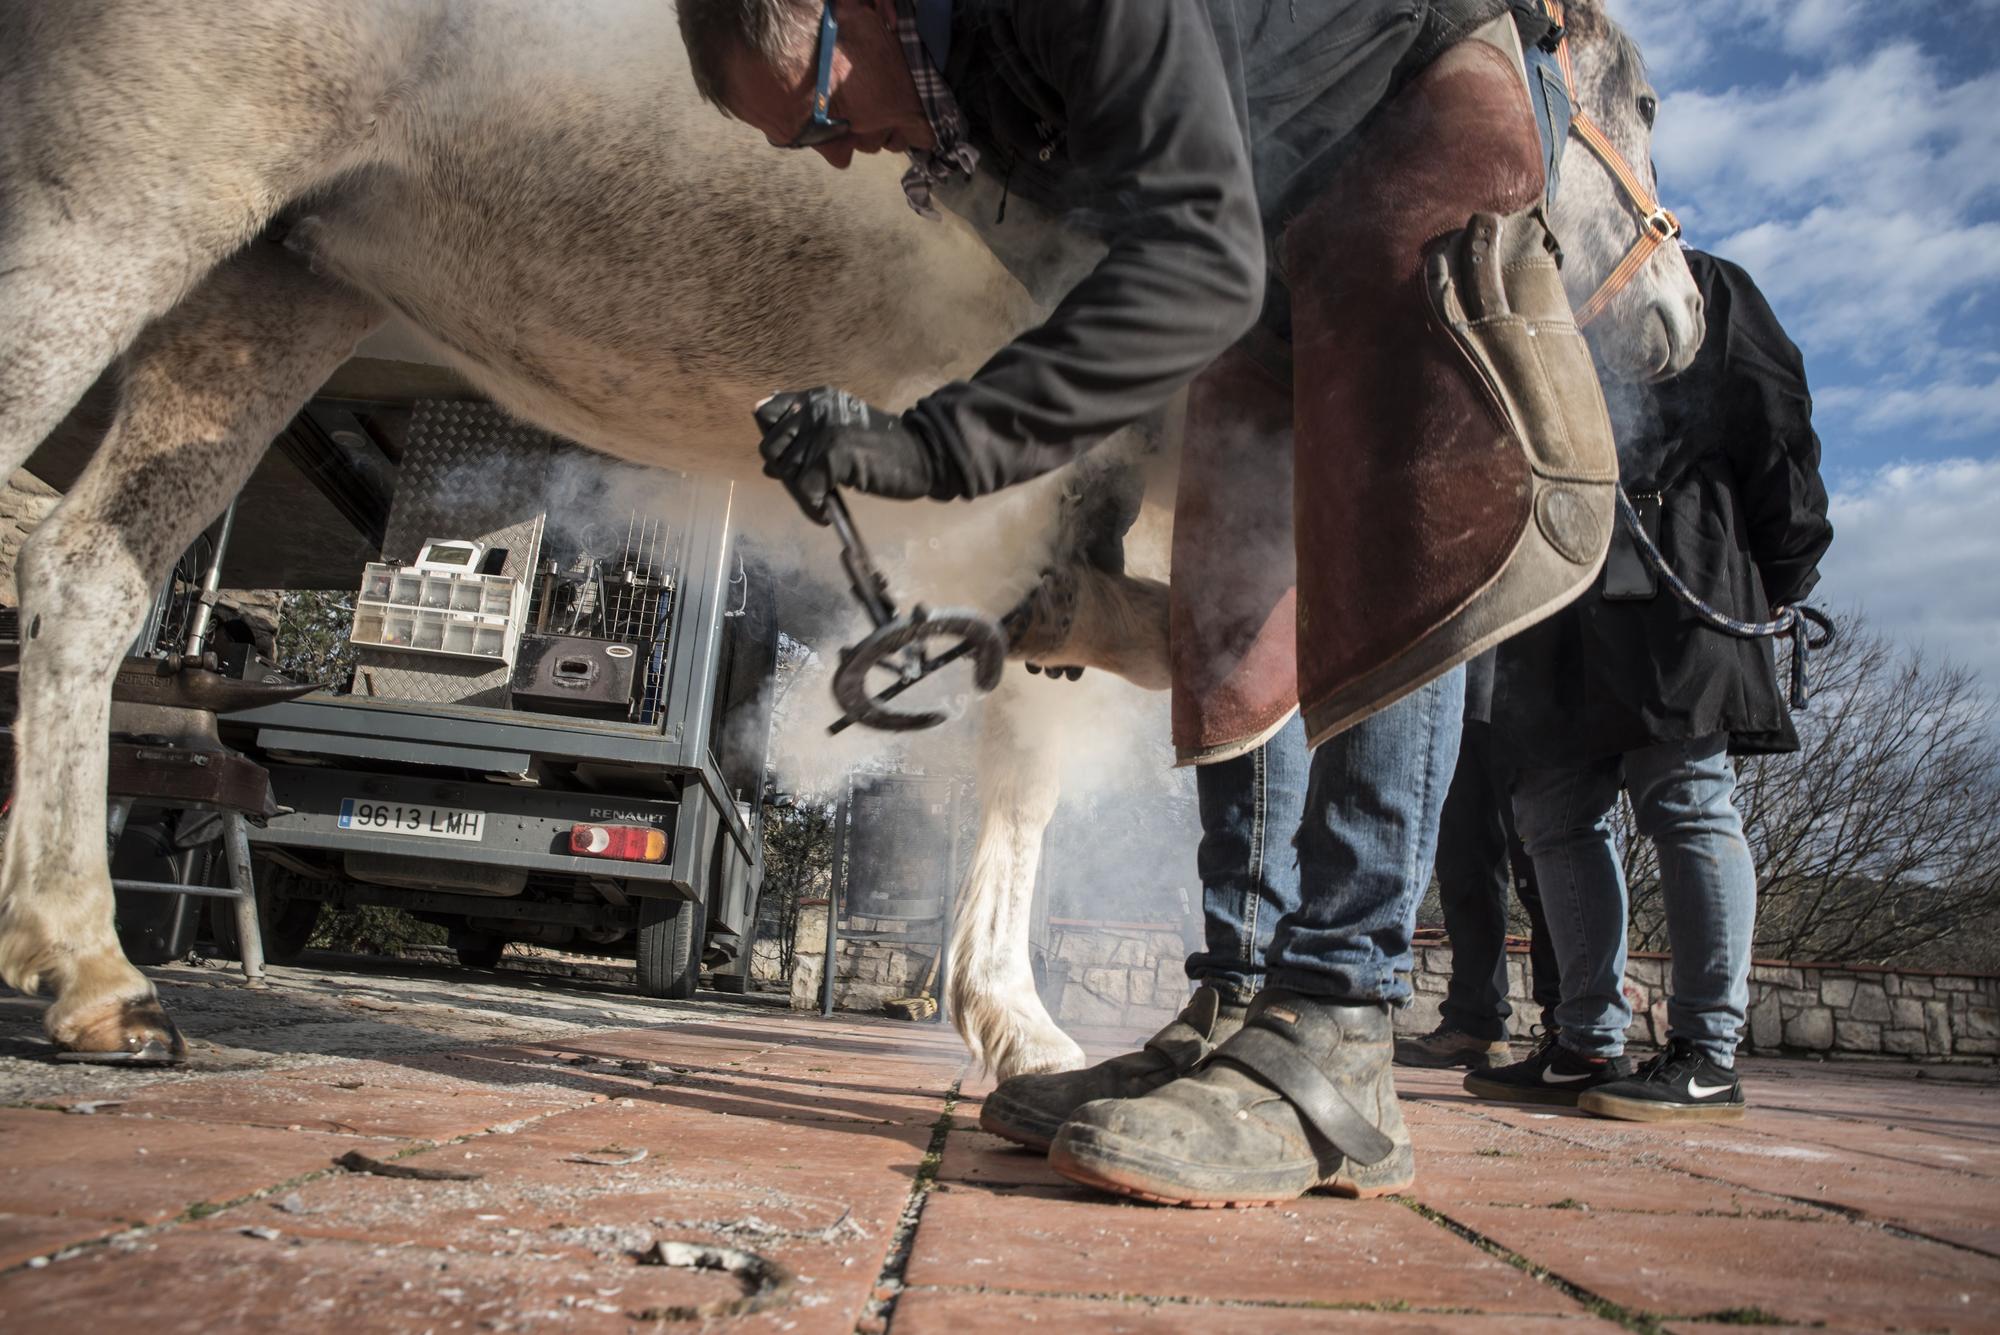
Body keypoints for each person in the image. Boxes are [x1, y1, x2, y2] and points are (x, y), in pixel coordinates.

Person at [678, 0, 1617, 1204]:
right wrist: (1086, 517)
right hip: (1273, 195)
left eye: (815, 116)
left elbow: (1195, 268)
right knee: (1229, 529)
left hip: (1407, 105)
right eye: (799, 146)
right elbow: (1106, 306)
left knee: (1381, 502)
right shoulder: (967, 104)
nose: (837, 153)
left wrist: (928, 446)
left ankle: (1335, 1028)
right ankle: (1236, 1005)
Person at [1467, 248, 1832, 1122]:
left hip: (1681, 570)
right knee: (1553, 813)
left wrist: (1777, 574)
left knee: (1686, 797)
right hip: (1554, 590)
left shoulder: (1704, 286)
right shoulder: (1519, 291)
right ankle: (1586, 1038)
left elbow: (1776, 427)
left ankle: (1707, 1053)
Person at [1395, 649, 1562, 1070]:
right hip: (1459, 693)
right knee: (1463, 866)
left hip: (1530, 684)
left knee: (1542, 860)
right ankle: (1475, 1020)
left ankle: (1567, 1024)